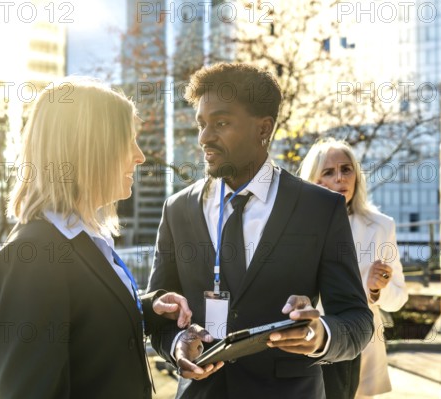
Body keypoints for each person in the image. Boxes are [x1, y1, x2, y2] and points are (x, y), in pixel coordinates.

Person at [146, 63, 374, 399]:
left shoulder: (320, 208)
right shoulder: (177, 209)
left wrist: (319, 334)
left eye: (221, 123)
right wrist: (177, 344)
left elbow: (357, 320)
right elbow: (161, 316)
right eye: (202, 124)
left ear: (263, 128)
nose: (205, 137)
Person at [0, 79, 193, 399]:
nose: (139, 157)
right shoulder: (34, 256)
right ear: (89, 148)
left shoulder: (84, 239)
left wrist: (147, 308)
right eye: (129, 142)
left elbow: (84, 323)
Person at [299, 138, 409, 399]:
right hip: (308, 345)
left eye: (346, 169)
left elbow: (399, 300)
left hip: (362, 346)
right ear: (313, 181)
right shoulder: (296, 230)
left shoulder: (382, 226)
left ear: (356, 176)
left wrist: (375, 290)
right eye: (328, 172)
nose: (340, 178)